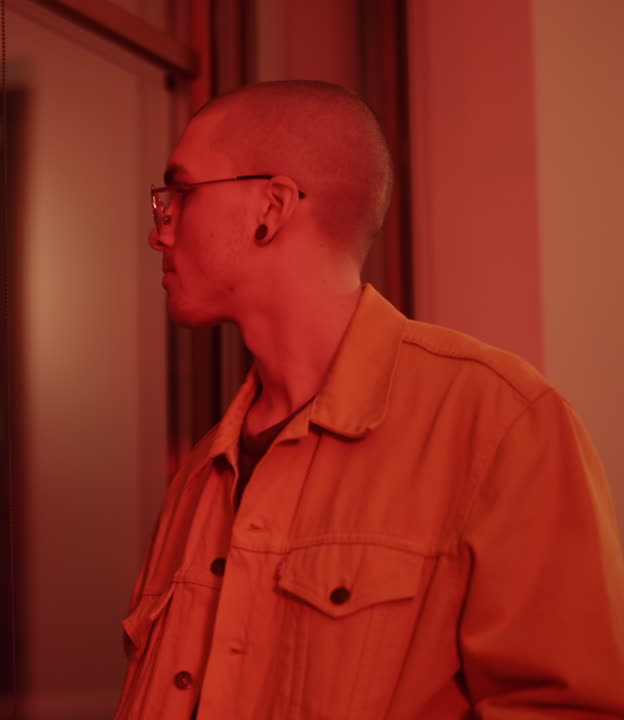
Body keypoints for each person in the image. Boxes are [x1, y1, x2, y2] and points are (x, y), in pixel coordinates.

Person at [115, 80, 624, 719]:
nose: (160, 232)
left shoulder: (498, 424)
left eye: (180, 194)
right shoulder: (198, 477)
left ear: (270, 208)